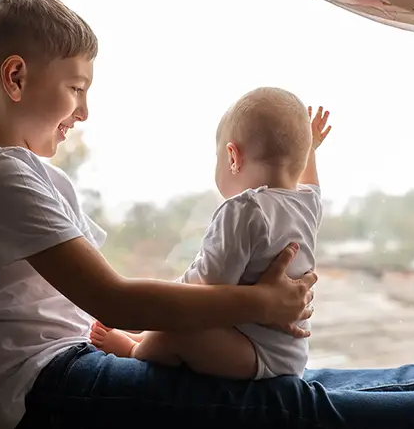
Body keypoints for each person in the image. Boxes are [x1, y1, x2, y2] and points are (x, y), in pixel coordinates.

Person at [0, 0, 414, 429]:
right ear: (15, 78)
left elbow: (96, 309)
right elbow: (114, 300)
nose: (83, 112)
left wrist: (152, 342)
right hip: (42, 402)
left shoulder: (19, 174)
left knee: (301, 392)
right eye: (75, 90)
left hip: (65, 377)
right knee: (284, 412)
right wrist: (261, 305)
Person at [91, 87, 329, 380]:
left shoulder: (245, 208)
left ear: (232, 156)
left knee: (180, 330)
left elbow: (208, 285)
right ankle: (143, 337)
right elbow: (311, 183)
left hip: (250, 353)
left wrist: (164, 302)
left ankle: (133, 350)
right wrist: (311, 150)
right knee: (183, 324)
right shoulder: (307, 203)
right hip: (289, 356)